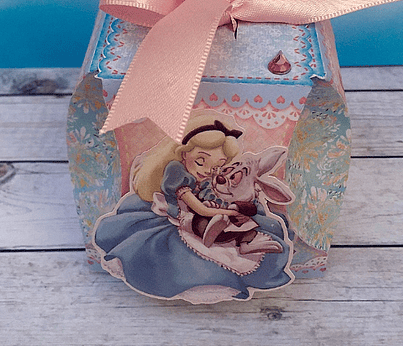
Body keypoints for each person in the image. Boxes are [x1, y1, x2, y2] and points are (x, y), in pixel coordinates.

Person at [92, 112, 293, 302]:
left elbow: (208, 199)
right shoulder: (177, 175)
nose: (207, 170)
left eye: (217, 166)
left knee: (245, 224)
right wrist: (226, 211)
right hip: (183, 215)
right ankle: (215, 234)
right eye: (200, 160)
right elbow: (200, 209)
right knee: (175, 248)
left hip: (204, 212)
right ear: (183, 153)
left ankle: (243, 239)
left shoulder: (206, 181)